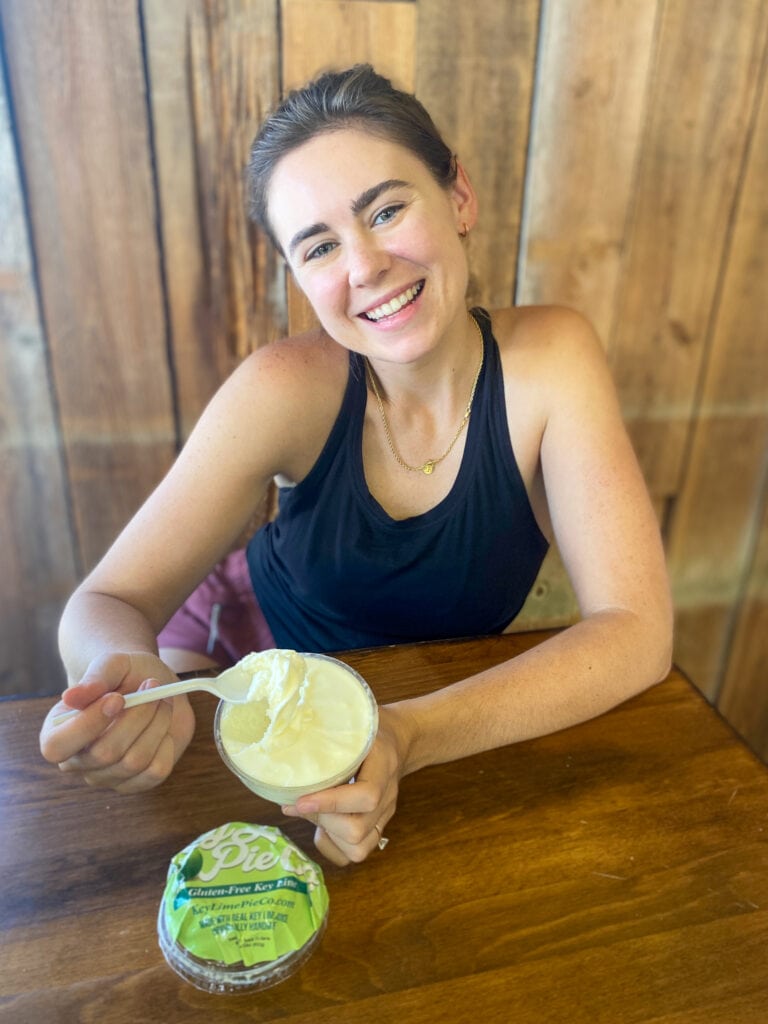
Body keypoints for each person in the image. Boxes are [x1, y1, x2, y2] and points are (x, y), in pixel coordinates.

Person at [39, 64, 672, 866]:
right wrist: (115, 668)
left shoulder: (555, 359)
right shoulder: (280, 388)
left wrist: (405, 734)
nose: (364, 264)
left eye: (387, 208)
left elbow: (637, 632)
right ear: (301, 277)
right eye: (320, 245)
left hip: (422, 701)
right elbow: (108, 600)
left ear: (459, 197)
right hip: (244, 651)